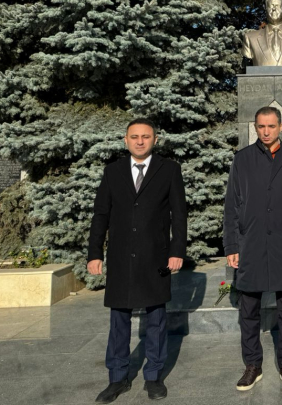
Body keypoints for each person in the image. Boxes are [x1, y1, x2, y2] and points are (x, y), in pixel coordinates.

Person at [88, 119, 188, 403]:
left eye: (145, 136)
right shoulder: (113, 171)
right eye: (135, 137)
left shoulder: (169, 169)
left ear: (155, 139)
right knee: (118, 319)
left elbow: (179, 214)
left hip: (157, 257)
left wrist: (177, 251)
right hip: (121, 257)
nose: (140, 141)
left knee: (156, 317)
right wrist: (95, 253)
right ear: (126, 140)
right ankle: (117, 378)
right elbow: (101, 215)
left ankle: (154, 376)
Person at [223, 106, 282, 391]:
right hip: (250, 244)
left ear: (280, 127)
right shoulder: (243, 159)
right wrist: (232, 244)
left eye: (271, 126)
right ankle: (253, 364)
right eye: (261, 126)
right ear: (255, 127)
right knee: (248, 309)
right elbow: (232, 205)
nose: (266, 131)